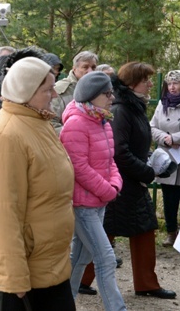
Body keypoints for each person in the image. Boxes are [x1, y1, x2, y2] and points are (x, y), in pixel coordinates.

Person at [0, 57, 76, 311]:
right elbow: (2, 212)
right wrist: (14, 276)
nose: (54, 94)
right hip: (23, 265)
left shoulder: (36, 121)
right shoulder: (6, 136)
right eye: (47, 89)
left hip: (44, 260)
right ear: (26, 92)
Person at [104, 62, 176, 300]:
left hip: (132, 182)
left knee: (144, 230)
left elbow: (135, 145)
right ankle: (81, 279)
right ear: (132, 82)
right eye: (145, 79)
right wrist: (146, 172)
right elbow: (119, 152)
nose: (149, 84)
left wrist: (150, 159)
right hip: (121, 184)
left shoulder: (133, 106)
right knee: (104, 235)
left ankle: (146, 283)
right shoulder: (122, 109)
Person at [59, 72, 126, 311]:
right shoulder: (76, 123)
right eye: (107, 94)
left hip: (99, 201)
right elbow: (77, 167)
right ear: (91, 96)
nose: (112, 97)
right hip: (84, 205)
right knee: (106, 259)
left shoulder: (102, 120)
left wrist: (115, 183)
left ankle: (63, 304)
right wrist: (108, 190)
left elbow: (110, 161)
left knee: (80, 259)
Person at [151, 70, 180, 247]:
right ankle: (171, 233)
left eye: (176, 83)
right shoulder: (161, 103)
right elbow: (152, 126)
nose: (172, 87)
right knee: (169, 200)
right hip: (168, 159)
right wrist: (164, 138)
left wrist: (176, 138)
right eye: (169, 83)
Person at [51, 51, 98, 132]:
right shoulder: (60, 89)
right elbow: (51, 123)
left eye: (93, 68)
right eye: (85, 67)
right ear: (74, 68)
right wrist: (75, 134)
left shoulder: (100, 90)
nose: (90, 71)